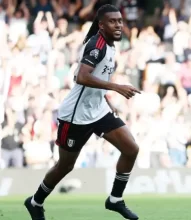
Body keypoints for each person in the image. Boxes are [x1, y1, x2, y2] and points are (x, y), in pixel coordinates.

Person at [24, 4, 140, 220]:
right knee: (65, 166)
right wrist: (117, 88)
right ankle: (35, 201)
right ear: (101, 24)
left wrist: (105, 98)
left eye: (120, 21)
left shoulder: (112, 44)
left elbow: (97, 78)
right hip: (75, 116)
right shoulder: (97, 45)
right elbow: (82, 77)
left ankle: (115, 199)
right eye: (113, 21)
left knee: (131, 148)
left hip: (98, 110)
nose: (118, 24)